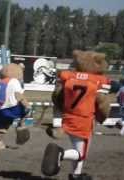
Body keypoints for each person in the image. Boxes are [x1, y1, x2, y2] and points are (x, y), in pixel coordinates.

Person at [41, 50, 112, 180]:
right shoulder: (97, 81)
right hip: (84, 120)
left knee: (77, 147)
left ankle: (76, 174)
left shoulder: (69, 76)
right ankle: (60, 154)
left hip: (68, 117)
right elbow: (102, 103)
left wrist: (60, 109)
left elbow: (57, 96)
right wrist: (103, 116)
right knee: (81, 153)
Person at [0, 63, 32, 150]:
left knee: (2, 126)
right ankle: (21, 127)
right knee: (26, 112)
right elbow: (18, 95)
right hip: (12, 107)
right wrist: (27, 105)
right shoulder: (14, 81)